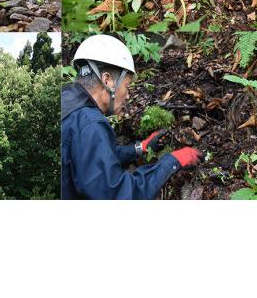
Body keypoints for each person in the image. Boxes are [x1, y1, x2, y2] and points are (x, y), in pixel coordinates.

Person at [61, 34, 203, 200]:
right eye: (127, 86)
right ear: (108, 80)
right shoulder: (90, 124)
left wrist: (139, 148)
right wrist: (172, 161)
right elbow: (119, 194)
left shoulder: (67, 101)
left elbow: (93, 160)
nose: (128, 96)